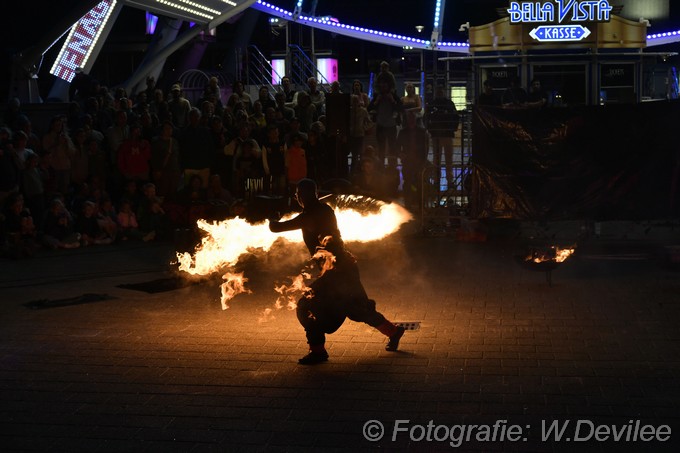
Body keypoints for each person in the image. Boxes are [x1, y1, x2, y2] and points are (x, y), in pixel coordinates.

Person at [268, 178, 405, 365]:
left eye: (298, 195)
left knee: (306, 306)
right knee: (358, 309)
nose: (297, 198)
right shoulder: (324, 210)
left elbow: (276, 228)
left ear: (302, 196)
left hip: (336, 272)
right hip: (345, 267)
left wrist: (272, 215)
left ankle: (318, 352)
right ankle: (394, 332)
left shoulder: (310, 215)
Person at [424, 85, 459, 189]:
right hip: (441, 134)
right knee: (441, 159)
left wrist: (452, 128)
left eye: (441, 90)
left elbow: (426, 118)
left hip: (442, 134)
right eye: (438, 90)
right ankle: (444, 181)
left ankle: (440, 181)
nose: (440, 92)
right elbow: (455, 116)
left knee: (442, 159)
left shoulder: (434, 104)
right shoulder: (448, 103)